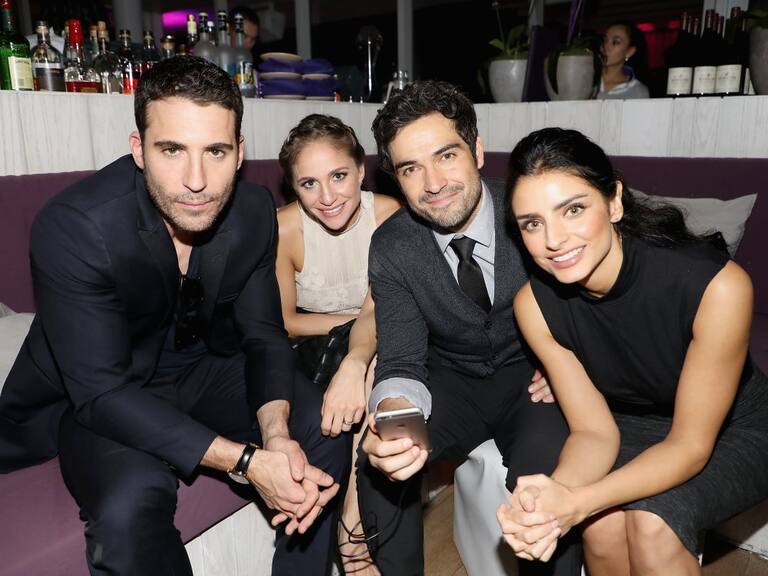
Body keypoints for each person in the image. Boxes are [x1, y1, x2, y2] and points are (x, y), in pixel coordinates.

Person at [0, 56, 348, 576]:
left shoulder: (252, 211)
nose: (196, 181)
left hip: (200, 368)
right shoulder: (76, 226)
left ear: (239, 153)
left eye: (215, 151)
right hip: (101, 393)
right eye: (171, 150)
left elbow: (263, 335)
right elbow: (101, 393)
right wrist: (247, 461)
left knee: (321, 424)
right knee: (128, 508)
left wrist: (275, 435)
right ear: (138, 149)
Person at [500, 127, 768, 575]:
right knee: (601, 527)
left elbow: (689, 445)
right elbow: (593, 432)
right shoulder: (534, 306)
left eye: (573, 210)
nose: (554, 239)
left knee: (652, 525)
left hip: (733, 427)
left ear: (614, 202)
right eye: (532, 223)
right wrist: (554, 496)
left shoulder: (716, 287)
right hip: (630, 421)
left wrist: (579, 502)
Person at [357, 80, 582, 576]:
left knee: (546, 488)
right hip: (451, 380)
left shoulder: (528, 212)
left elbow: (593, 295)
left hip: (533, 381)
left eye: (446, 156)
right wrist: (394, 419)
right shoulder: (392, 245)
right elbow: (401, 359)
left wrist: (573, 362)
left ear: (477, 151)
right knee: (379, 465)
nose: (433, 183)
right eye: (410, 168)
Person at [275, 113, 400, 574]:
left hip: (381, 344)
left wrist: (362, 334)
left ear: (362, 170)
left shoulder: (387, 215)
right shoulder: (285, 228)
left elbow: (391, 307)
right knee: (368, 359)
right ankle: (355, 542)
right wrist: (354, 323)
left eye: (339, 176)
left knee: (376, 363)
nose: (327, 197)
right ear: (292, 186)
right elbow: (286, 322)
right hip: (312, 349)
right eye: (309, 183)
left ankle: (352, 527)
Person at [596, 22, 649, 99]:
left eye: (615, 42)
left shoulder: (638, 91)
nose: (606, 46)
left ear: (629, 52)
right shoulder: (586, 80)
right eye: (605, 40)